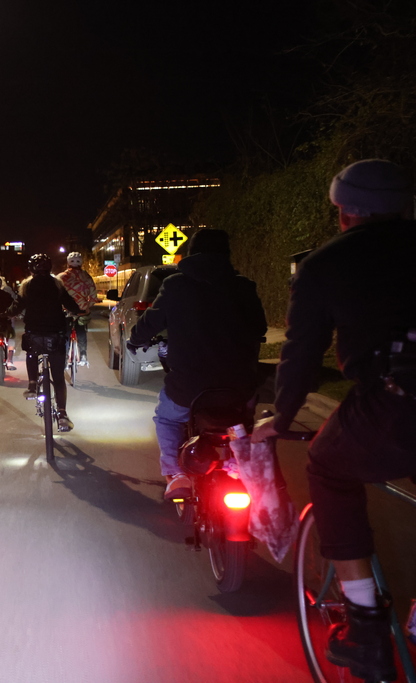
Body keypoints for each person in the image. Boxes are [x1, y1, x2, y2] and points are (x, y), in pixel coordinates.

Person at [251, 159, 416, 682]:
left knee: (327, 465)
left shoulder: (327, 264)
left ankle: (365, 627)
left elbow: (301, 352)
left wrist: (283, 415)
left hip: (395, 398)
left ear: (344, 212)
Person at [128, 228, 266, 502]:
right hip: (238, 388)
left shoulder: (175, 285)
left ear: (191, 253)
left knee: (167, 418)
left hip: (189, 389)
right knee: (243, 421)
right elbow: (259, 327)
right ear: (227, 254)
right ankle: (240, 463)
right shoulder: (243, 286)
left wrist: (135, 340)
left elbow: (151, 323)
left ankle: (176, 473)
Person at [11, 254, 82, 432]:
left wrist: (7, 313)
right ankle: (62, 414)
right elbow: (70, 304)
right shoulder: (57, 284)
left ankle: (32, 384)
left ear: (31, 269)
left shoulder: (26, 286)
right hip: (55, 336)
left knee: (31, 352)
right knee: (58, 378)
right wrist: (78, 310)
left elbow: (16, 306)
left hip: (34, 335)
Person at [57, 251, 98, 366]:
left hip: (65, 310)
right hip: (82, 311)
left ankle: (64, 357)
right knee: (81, 331)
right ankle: (83, 355)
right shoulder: (86, 277)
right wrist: (87, 307)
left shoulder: (61, 277)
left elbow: (54, 294)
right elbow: (93, 296)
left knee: (65, 334)